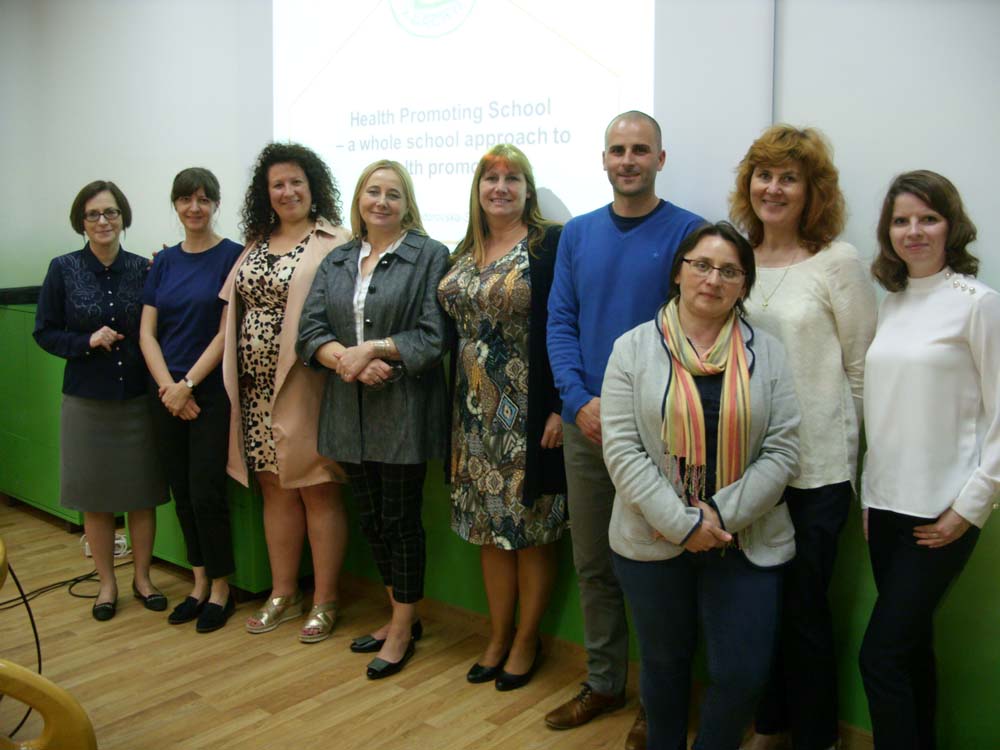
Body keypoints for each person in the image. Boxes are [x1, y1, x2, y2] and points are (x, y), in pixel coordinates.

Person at [604, 221, 800, 750]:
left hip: (744, 536)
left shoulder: (769, 352)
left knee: (741, 674)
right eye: (702, 266)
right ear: (679, 272)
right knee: (664, 667)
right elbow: (621, 449)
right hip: (653, 537)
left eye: (730, 271)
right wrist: (681, 523)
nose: (713, 279)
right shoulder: (631, 348)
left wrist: (717, 516)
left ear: (743, 285)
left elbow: (783, 449)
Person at [545, 110, 703, 747]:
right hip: (587, 426)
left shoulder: (689, 233)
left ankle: (660, 702)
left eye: (641, 150)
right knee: (594, 565)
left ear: (660, 159)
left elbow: (697, 329)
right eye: (618, 149)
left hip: (660, 434)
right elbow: (560, 321)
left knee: (661, 571)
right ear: (604, 159)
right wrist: (578, 401)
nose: (628, 160)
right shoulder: (578, 234)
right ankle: (605, 682)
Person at [729, 125, 877, 750]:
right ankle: (770, 724)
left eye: (788, 178)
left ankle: (818, 736)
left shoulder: (837, 262)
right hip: (749, 467)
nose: (773, 188)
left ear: (813, 190)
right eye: (763, 175)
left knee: (805, 611)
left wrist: (861, 466)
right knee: (759, 609)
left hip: (817, 469)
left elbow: (862, 370)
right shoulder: (736, 259)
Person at [860, 170, 998, 749]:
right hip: (886, 509)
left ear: (951, 226)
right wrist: (870, 498)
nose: (913, 231)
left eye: (928, 218)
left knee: (880, 656)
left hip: (942, 514)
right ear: (888, 232)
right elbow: (885, 410)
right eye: (901, 220)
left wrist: (969, 508)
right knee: (911, 651)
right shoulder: (890, 304)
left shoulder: (978, 305)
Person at [297, 159, 449, 677]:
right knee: (371, 521)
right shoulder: (339, 259)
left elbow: (433, 335)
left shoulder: (429, 255)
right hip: (348, 413)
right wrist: (351, 361)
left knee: (400, 523)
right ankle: (398, 613)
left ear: (407, 204)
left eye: (393, 194)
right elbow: (310, 332)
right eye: (373, 191)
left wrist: (375, 350)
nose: (381, 202)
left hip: (404, 413)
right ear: (359, 199)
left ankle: (403, 627)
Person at [438, 144, 567, 692]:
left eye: (513, 178)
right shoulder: (463, 249)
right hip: (471, 418)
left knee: (530, 532)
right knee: (489, 530)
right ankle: (497, 636)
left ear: (528, 190)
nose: (501, 187)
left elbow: (567, 324)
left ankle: (526, 639)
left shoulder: (549, 244)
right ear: (477, 190)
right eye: (490, 178)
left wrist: (561, 405)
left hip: (529, 414)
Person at [220, 142, 352, 642]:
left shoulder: (335, 240)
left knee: (317, 488)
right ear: (266, 193)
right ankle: (283, 593)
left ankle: (325, 600)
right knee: (274, 488)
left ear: (313, 187)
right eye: (278, 184)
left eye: (297, 181)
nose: (288, 191)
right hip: (254, 392)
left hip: (306, 386)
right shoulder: (256, 242)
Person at [34, 180, 169, 621]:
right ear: (81, 222)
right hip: (86, 401)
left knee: (142, 493)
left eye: (111, 212)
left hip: (137, 398)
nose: (103, 221)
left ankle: (143, 578)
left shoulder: (144, 269)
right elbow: (44, 332)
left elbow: (159, 327)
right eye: (93, 214)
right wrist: (86, 341)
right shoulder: (63, 269)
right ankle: (107, 583)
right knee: (95, 498)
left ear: (123, 218)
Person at [139, 168, 243, 632]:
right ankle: (198, 583)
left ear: (216, 204)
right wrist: (169, 389)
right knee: (181, 491)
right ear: (176, 205)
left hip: (209, 392)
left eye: (204, 199)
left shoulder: (232, 257)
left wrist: (188, 385)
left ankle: (222, 589)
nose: (194, 208)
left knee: (206, 492)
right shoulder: (163, 261)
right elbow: (147, 333)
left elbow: (225, 332)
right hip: (166, 395)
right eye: (186, 199)